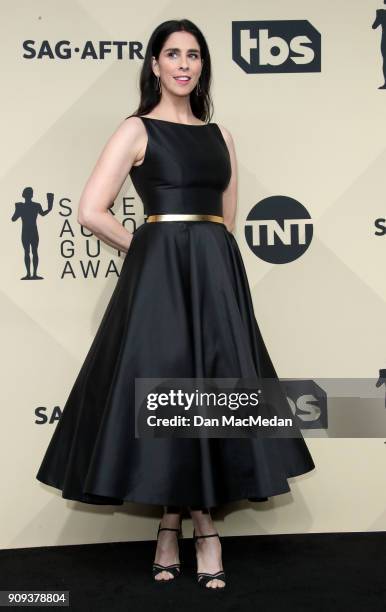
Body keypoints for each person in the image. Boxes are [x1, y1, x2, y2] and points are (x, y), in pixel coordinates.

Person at [36, 18, 315, 590]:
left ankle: (170, 523)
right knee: (168, 389)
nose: (184, 64)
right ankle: (204, 529)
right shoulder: (136, 130)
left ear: (201, 67)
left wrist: (204, 260)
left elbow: (225, 221)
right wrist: (151, 247)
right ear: (155, 65)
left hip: (214, 275)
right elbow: (92, 210)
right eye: (172, 54)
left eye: (193, 55)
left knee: (212, 391)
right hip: (160, 279)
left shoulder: (221, 136)